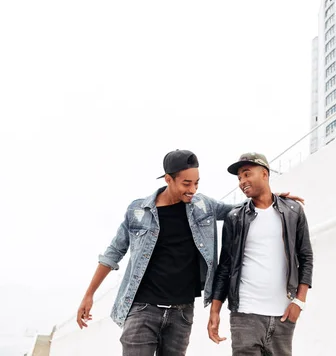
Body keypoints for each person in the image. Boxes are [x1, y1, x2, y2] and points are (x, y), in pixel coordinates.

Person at [76, 149, 302, 356]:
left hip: (182, 313)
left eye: (196, 183)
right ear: (168, 179)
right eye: (186, 183)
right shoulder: (138, 211)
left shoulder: (203, 205)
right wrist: (89, 295)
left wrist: (274, 199)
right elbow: (113, 252)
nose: (192, 190)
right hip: (143, 308)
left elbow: (239, 210)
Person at [208, 152, 313, 356]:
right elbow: (226, 266)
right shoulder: (235, 217)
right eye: (239, 178)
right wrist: (215, 311)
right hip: (245, 313)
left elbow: (306, 257)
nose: (242, 182)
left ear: (264, 174)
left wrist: (299, 301)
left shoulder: (293, 211)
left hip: (283, 314)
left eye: (247, 174)